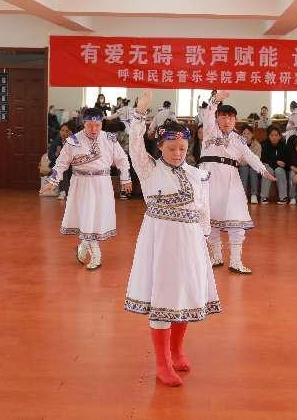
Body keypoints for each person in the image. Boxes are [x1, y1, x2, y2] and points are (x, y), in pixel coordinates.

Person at [124, 90, 221, 387]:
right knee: (164, 295)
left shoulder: (195, 174)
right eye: (171, 148)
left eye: (182, 148)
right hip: (161, 240)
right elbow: (135, 146)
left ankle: (177, 351)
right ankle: (162, 362)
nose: (177, 153)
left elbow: (203, 208)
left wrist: (205, 238)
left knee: (185, 292)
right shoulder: (149, 169)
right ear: (160, 147)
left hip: (190, 240)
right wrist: (140, 114)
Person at [40, 108, 131, 270]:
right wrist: (53, 181)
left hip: (103, 184)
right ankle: (96, 256)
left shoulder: (109, 139)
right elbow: (61, 163)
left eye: (97, 125)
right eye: (90, 125)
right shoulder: (73, 141)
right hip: (81, 184)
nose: (94, 129)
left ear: (102, 123)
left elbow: (122, 160)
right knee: (87, 216)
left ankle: (83, 246)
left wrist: (125, 178)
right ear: (84, 123)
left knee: (95, 218)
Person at [199, 91, 276, 275]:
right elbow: (208, 114)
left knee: (237, 218)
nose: (227, 121)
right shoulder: (209, 130)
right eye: (223, 117)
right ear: (217, 118)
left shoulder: (238, 139)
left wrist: (262, 170)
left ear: (235, 120)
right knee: (210, 219)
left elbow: (250, 156)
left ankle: (236, 261)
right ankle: (216, 256)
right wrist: (214, 101)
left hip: (231, 180)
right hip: (209, 178)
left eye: (231, 118)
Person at [260, 126, 289, 205]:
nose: (274, 137)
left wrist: (284, 164)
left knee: (279, 171)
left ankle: (283, 197)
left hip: (279, 168)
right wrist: (276, 162)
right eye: (272, 135)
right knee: (268, 171)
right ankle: (263, 197)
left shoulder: (284, 146)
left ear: (280, 136)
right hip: (267, 166)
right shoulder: (264, 145)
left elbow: (286, 160)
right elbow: (263, 159)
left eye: (276, 135)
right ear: (268, 136)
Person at [47, 123, 73, 200]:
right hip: (58, 165)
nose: (64, 133)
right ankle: (63, 191)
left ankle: (66, 191)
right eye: (62, 130)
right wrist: (56, 154)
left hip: (71, 165)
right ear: (59, 131)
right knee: (62, 170)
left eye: (66, 131)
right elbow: (50, 156)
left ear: (70, 132)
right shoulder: (56, 142)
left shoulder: (73, 142)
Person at [238, 125, 262, 204]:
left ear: (252, 135)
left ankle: (254, 195)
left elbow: (257, 160)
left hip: (253, 166)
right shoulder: (238, 145)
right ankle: (243, 195)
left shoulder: (257, 145)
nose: (246, 135)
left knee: (253, 169)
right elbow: (239, 160)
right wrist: (248, 161)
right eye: (244, 133)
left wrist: (246, 160)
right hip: (242, 166)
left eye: (248, 133)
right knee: (244, 169)